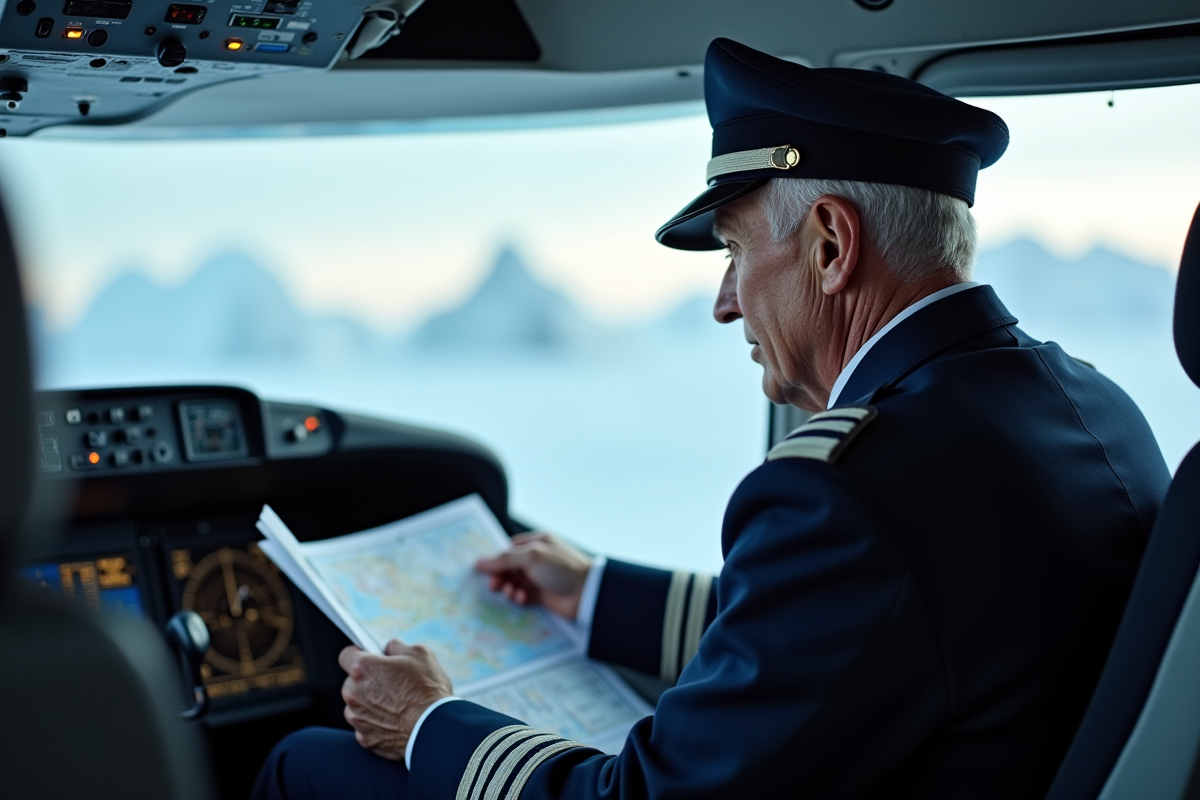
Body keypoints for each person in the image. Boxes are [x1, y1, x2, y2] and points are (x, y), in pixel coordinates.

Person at [253, 38, 1171, 799]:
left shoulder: (853, 492)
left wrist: (427, 724)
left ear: (829, 245)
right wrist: (596, 593)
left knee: (307, 765)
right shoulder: (1092, 408)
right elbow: (880, 627)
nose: (727, 302)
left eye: (734, 251)